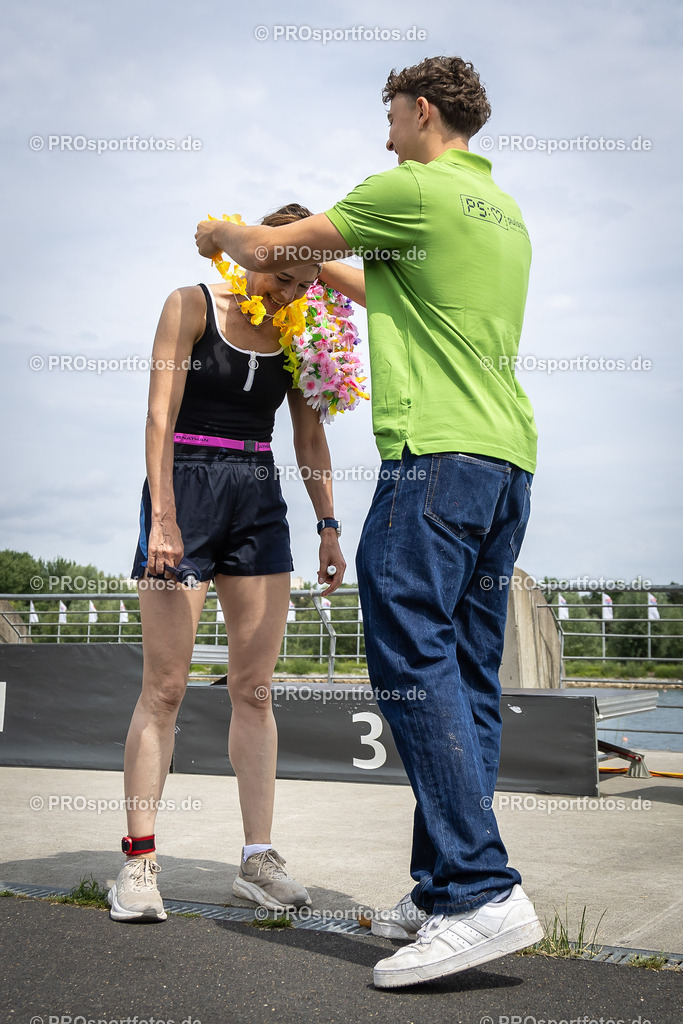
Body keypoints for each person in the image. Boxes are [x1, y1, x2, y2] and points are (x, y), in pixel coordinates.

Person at [195, 55, 543, 988]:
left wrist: (219, 229)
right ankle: (439, 890)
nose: (383, 129)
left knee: (406, 660)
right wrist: (303, 259)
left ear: (420, 110)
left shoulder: (409, 186)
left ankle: (478, 891)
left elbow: (268, 251)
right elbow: (361, 283)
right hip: (502, 462)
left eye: (389, 113)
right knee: (464, 673)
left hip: (431, 459)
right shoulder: (497, 210)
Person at [108, 203, 346, 924]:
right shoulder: (188, 306)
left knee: (254, 689)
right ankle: (138, 864)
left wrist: (329, 526)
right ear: (251, 253)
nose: (286, 292)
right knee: (167, 688)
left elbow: (307, 438)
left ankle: (257, 859)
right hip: (185, 485)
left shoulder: (302, 329)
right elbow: (158, 416)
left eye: (303, 283)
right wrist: (164, 515)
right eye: (280, 274)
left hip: (257, 497)